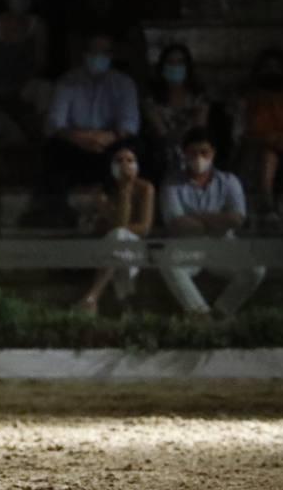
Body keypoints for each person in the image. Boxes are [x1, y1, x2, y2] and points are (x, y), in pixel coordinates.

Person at [27, 32, 141, 226]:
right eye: (94, 51)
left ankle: (117, 214)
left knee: (130, 148)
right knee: (52, 148)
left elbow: (129, 124)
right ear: (85, 54)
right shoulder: (67, 82)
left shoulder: (124, 84)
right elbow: (54, 123)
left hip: (109, 146)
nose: (99, 57)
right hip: (75, 146)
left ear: (112, 56)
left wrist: (106, 137)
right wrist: (81, 138)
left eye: (104, 52)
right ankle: (56, 215)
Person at [158, 127, 265, 317]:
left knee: (256, 268)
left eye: (204, 152)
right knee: (168, 264)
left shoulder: (229, 181)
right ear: (184, 154)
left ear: (213, 153)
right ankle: (201, 316)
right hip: (188, 245)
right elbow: (176, 223)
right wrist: (217, 220)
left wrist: (197, 217)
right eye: (193, 152)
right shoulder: (171, 183)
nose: (198, 157)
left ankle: (221, 312)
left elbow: (237, 219)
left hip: (223, 244)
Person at [76, 143, 154, 314]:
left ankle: (92, 297)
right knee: (117, 240)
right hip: (110, 245)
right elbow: (120, 222)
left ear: (137, 165)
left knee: (118, 238)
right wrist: (124, 190)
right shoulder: (103, 193)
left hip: (135, 246)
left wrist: (127, 189)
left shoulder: (146, 188)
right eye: (119, 161)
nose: (125, 164)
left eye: (130, 160)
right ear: (111, 166)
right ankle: (125, 306)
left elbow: (144, 228)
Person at [233, 48, 283, 231]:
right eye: (267, 67)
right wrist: (265, 139)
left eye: (276, 67)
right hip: (258, 144)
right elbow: (239, 133)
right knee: (268, 155)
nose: (272, 72)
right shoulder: (248, 98)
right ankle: (267, 206)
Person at [0, 0, 53, 144]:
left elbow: (40, 62)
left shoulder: (37, 26)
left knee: (44, 90)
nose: (20, 0)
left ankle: (42, 141)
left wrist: (21, 83)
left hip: (25, 84)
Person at [141, 43, 210, 181]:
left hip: (191, 147)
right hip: (162, 149)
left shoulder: (198, 96)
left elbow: (199, 128)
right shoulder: (151, 97)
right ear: (162, 66)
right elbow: (161, 132)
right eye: (170, 62)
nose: (175, 66)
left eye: (180, 62)